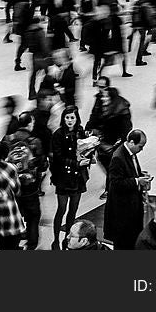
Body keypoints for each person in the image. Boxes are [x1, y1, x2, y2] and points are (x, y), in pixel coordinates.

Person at [50, 106, 91, 250]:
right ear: (63, 118)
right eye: (67, 117)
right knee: (61, 209)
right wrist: (77, 163)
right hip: (63, 177)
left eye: (72, 117)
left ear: (76, 118)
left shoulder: (81, 131)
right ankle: (55, 239)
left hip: (78, 177)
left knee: (73, 210)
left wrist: (89, 157)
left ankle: (68, 238)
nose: (69, 120)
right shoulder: (58, 134)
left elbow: (87, 149)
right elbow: (58, 157)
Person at [104, 129, 150, 250]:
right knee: (123, 245)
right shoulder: (118, 158)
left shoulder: (130, 154)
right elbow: (115, 183)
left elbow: (129, 172)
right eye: (140, 146)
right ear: (131, 142)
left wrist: (140, 174)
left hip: (132, 209)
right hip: (122, 214)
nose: (142, 149)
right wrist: (137, 181)